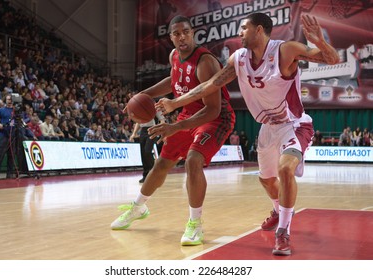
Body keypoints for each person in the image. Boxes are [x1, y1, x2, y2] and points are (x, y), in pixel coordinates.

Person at [154, 13, 339, 255]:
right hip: (267, 129)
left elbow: (332, 60)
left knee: (285, 169)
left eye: (244, 28)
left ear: (259, 30)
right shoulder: (239, 58)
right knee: (266, 180)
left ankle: (283, 232)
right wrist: (176, 102)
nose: (239, 32)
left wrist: (321, 43)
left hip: (294, 125)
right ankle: (278, 209)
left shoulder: (285, 50)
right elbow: (210, 85)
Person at [110, 15, 236, 246]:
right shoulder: (174, 56)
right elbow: (173, 79)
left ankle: (195, 224)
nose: (181, 37)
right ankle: (138, 207)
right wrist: (143, 96)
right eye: (176, 34)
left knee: (193, 160)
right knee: (161, 164)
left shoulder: (206, 62)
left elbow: (213, 109)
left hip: (215, 118)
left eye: (185, 32)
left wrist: (174, 126)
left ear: (192, 32)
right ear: (171, 37)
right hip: (188, 113)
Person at [130, 110, 166, 183]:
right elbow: (138, 122)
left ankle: (153, 174)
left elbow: (162, 120)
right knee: (143, 153)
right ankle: (145, 175)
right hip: (143, 131)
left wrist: (162, 131)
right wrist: (134, 133)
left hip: (152, 129)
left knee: (147, 151)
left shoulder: (154, 107)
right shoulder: (140, 107)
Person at [0, 95, 17, 179]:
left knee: (11, 155)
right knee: (0, 155)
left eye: (11, 99)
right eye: (8, 99)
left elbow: (15, 121)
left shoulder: (15, 110)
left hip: (12, 135)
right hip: (4, 135)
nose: (10, 100)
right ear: (5, 100)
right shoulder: (1, 110)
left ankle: (9, 173)